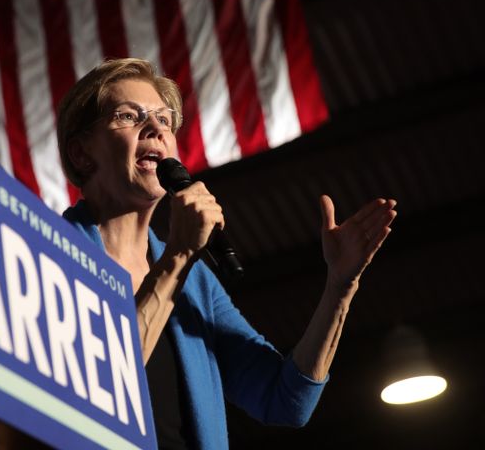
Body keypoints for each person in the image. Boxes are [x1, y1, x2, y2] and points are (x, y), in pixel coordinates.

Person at [56, 58, 396, 448]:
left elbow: (285, 400)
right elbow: (99, 384)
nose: (155, 129)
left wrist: (338, 288)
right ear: (82, 153)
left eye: (165, 120)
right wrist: (180, 256)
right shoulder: (53, 251)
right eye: (128, 115)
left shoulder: (196, 282)